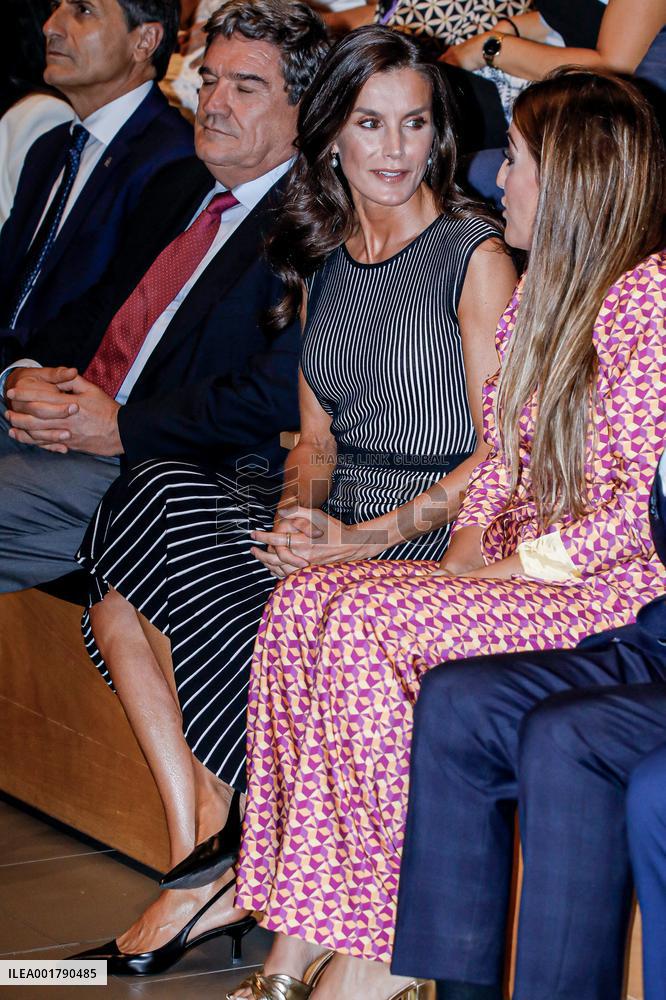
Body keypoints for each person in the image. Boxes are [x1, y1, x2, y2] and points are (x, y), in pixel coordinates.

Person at [71, 22, 516, 978]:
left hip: (422, 530)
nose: (394, 152)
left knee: (125, 604)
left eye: (414, 125)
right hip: (341, 514)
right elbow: (313, 441)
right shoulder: (325, 256)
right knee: (143, 503)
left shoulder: (475, 256)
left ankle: (223, 864)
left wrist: (363, 538)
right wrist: (298, 517)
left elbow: (499, 457)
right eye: (369, 125)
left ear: (439, 133)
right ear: (332, 139)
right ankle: (220, 842)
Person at [229, 69, 666, 1000]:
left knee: (362, 624)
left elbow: (637, 515)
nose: (498, 177)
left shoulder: (646, 299)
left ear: (576, 179)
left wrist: (498, 570)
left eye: (518, 161)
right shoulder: (549, 293)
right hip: (525, 571)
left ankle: (383, 957)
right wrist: (460, 564)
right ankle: (305, 928)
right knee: (306, 599)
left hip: (603, 592)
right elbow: (501, 467)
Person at [0, 0, 330, 595]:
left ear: (306, 111)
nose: (214, 104)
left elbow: (280, 390)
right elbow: (93, 310)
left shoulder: (317, 227)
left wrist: (125, 426)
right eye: (209, 81)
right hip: (70, 426)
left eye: (246, 88)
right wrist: (26, 376)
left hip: (165, 468)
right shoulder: (180, 185)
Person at [394, 450, 666, 1000]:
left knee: (568, 734)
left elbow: (631, 519)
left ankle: (358, 955)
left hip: (592, 580)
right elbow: (501, 450)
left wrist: (487, 574)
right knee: (458, 701)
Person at [0, 0, 193, 341]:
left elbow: (111, 317)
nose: (50, 27)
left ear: (145, 40)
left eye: (83, 10)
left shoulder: (173, 162)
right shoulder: (50, 147)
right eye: (55, 7)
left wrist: (10, 372)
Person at [444, 0, 666, 198]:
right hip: (531, 76)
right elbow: (570, 15)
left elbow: (611, 69)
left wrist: (492, 48)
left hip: (573, 111)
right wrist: (507, 30)